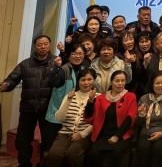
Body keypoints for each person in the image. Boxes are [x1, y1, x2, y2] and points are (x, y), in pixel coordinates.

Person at [0, 35, 57, 167]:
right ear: (35, 47)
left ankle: (43, 164)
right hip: (28, 108)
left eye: (45, 44)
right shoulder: (25, 64)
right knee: (22, 140)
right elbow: (12, 79)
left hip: (48, 109)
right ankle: (24, 164)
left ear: (50, 45)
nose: (43, 47)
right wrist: (6, 85)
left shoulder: (56, 62)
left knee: (48, 141)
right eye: (39, 44)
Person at [85, 70, 137, 167]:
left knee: (115, 154)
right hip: (102, 135)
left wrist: (117, 136)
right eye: (117, 81)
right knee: (94, 154)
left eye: (123, 81)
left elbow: (131, 117)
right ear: (111, 82)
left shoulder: (130, 96)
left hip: (121, 135)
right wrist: (90, 102)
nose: (120, 83)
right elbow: (89, 118)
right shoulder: (101, 98)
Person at [47, 68, 97, 167]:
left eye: (89, 79)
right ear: (78, 81)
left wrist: (82, 134)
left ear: (94, 80)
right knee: (54, 154)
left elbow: (97, 121)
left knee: (72, 154)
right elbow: (59, 118)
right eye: (83, 80)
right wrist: (68, 100)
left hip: (85, 134)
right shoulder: (70, 95)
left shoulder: (98, 97)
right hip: (65, 132)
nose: (86, 82)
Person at [45, 45, 90, 143]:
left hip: (73, 115)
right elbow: (52, 83)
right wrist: (56, 68)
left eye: (80, 53)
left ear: (84, 55)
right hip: (57, 112)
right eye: (74, 53)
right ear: (69, 55)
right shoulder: (64, 69)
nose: (77, 56)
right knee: (51, 144)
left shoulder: (84, 70)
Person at [135, 72, 162, 167]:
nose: (161, 85)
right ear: (152, 84)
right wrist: (141, 115)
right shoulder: (144, 98)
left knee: (158, 149)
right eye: (157, 83)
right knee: (143, 149)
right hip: (146, 132)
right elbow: (138, 123)